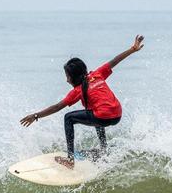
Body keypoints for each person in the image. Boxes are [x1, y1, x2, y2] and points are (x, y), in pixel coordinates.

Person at [20, 35, 145, 169]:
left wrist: (35, 115)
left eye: (67, 77)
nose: (67, 80)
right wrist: (132, 49)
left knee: (69, 118)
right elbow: (115, 60)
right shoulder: (97, 74)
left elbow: (57, 107)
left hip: (103, 117)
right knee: (95, 111)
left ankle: (70, 160)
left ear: (73, 77)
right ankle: (103, 150)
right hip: (117, 114)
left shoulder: (78, 90)